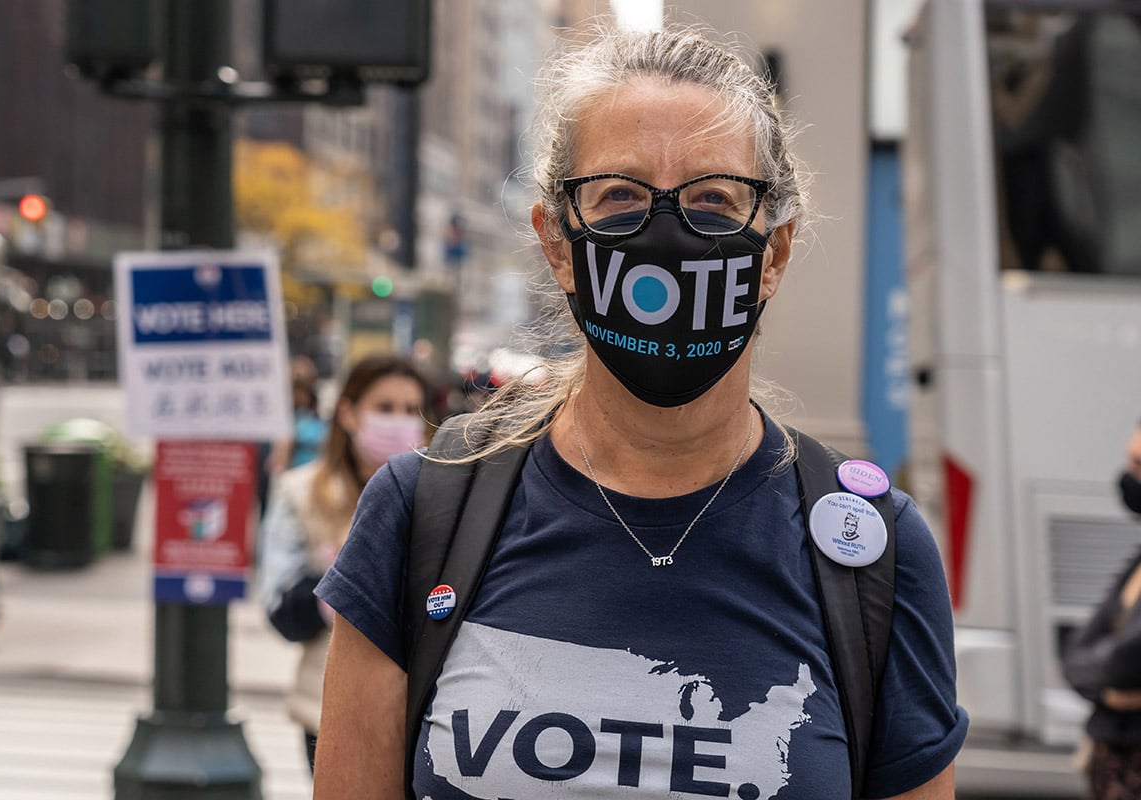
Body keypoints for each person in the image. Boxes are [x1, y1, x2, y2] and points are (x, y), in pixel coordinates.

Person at [313, 23, 967, 799]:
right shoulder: (423, 512)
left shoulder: (874, 554)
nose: (667, 235)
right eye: (620, 195)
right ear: (557, 244)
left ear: (775, 252)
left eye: (713, 200)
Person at [258, 353, 428, 772]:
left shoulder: (440, 496)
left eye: (411, 410)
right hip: (330, 711)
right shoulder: (301, 493)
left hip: (422, 716)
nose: (399, 421)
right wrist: (341, 585)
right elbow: (280, 610)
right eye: (384, 407)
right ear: (348, 414)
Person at [1063, 418, 1141, 798]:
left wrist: (1108, 678)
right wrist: (1112, 691)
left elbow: (1126, 662)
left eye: (1139, 466)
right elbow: (1076, 659)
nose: (1129, 477)